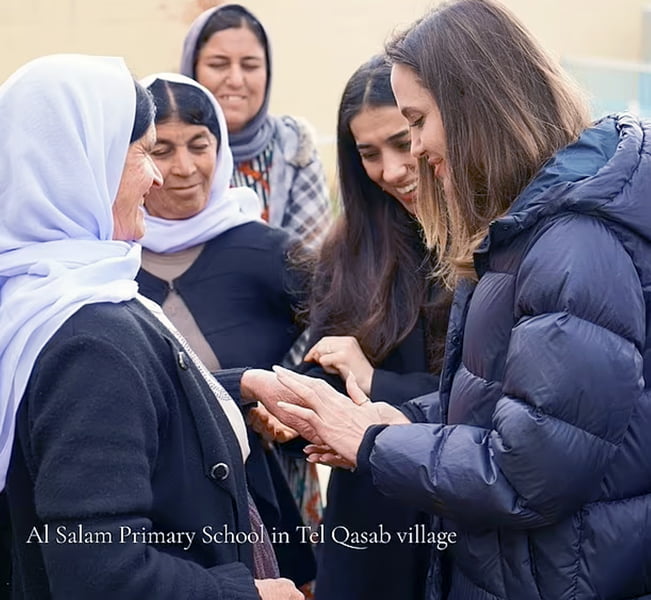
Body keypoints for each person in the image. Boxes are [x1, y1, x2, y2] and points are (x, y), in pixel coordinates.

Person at [263, 1, 651, 598]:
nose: (412, 152)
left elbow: (530, 474)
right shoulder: (526, 232)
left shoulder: (572, 245)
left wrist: (372, 439)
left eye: (416, 122)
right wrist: (400, 418)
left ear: (475, 105)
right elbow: (500, 409)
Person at [1, 53, 302, 600]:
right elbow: (103, 572)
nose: (163, 175)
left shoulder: (59, 293)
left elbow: (127, 401)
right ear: (83, 163)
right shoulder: (87, 336)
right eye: (145, 151)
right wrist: (247, 595)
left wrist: (240, 386)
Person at [135, 72, 316, 589]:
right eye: (161, 149)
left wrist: (288, 398)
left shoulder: (270, 251)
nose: (184, 167)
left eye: (199, 144)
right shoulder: (109, 257)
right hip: (154, 512)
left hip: (264, 497)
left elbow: (338, 337)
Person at [296, 55, 451, 600]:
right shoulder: (348, 250)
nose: (390, 170)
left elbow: (501, 404)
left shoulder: (489, 244)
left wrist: (374, 382)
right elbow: (323, 373)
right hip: (366, 528)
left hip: (455, 511)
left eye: (401, 141)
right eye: (368, 154)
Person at [180, 3, 331, 251]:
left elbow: (311, 259)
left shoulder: (294, 146)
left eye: (250, 65)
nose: (237, 80)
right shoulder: (166, 150)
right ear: (192, 69)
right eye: (218, 64)